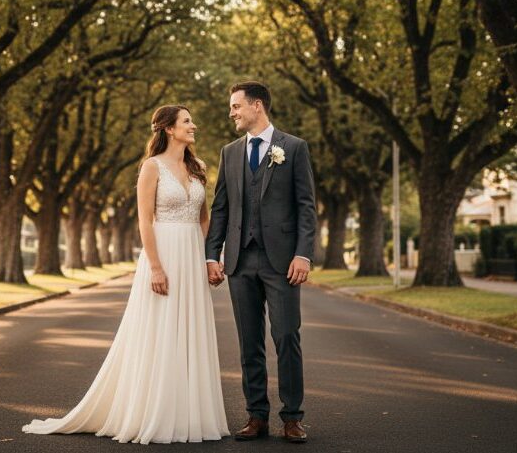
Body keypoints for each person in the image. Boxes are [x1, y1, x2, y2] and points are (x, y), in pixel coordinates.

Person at [22, 105, 229, 445]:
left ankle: (191, 414)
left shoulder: (199, 167)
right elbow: (144, 221)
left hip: (192, 256)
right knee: (160, 332)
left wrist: (211, 258)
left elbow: (204, 217)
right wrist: (157, 267)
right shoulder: (151, 167)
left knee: (190, 331)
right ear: (168, 129)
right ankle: (155, 413)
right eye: (187, 121)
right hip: (163, 254)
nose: (194, 126)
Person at [205, 80, 316, 443]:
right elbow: (220, 208)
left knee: (286, 337)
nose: (232, 112)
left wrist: (303, 254)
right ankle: (256, 415)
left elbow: (306, 207)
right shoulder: (229, 152)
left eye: (236, 106)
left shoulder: (294, 148)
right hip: (239, 260)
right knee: (248, 342)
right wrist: (212, 255)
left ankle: (292, 417)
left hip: (282, 262)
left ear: (256, 105)